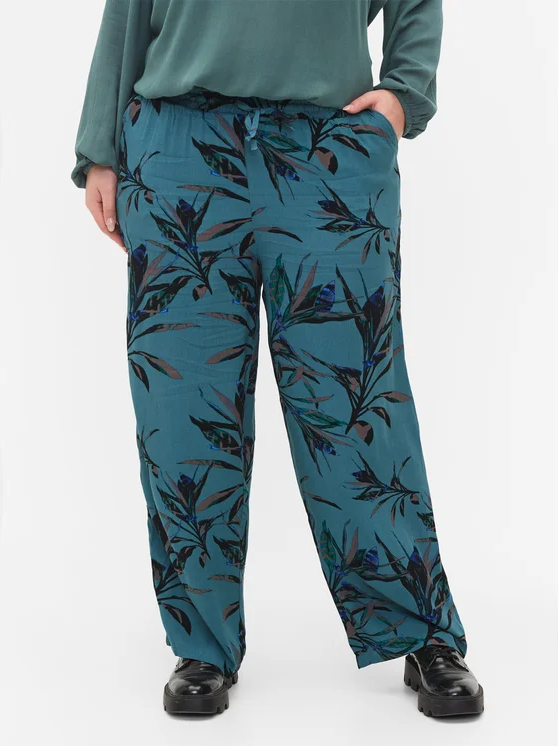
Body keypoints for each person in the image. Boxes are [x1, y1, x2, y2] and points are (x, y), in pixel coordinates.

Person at [72, 0, 484, 719]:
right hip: (178, 147)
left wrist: (404, 92)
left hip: (327, 147)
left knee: (356, 405)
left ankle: (422, 632)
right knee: (182, 406)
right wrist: (98, 148)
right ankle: (201, 643)